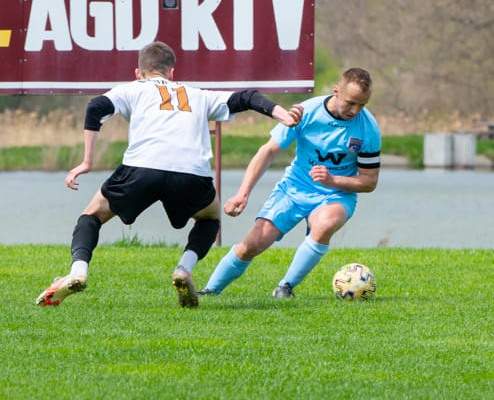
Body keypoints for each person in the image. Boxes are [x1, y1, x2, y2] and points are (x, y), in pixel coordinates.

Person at [36, 41, 303, 308]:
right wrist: (282, 115)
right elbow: (248, 97)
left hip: (142, 168)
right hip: (191, 173)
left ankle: (78, 271)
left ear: (138, 72)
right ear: (172, 73)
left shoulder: (133, 89)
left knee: (92, 216)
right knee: (209, 219)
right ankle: (184, 270)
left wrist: (87, 162)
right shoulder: (197, 95)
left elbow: (95, 107)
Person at [198, 67, 380, 299]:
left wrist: (333, 180)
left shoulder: (368, 128)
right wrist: (242, 193)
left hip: (335, 195)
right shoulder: (307, 112)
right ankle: (209, 291)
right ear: (336, 91)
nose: (355, 110)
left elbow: (369, 181)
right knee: (251, 245)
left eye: (362, 105)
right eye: (350, 102)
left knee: (325, 224)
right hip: (294, 189)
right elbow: (268, 151)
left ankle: (285, 286)